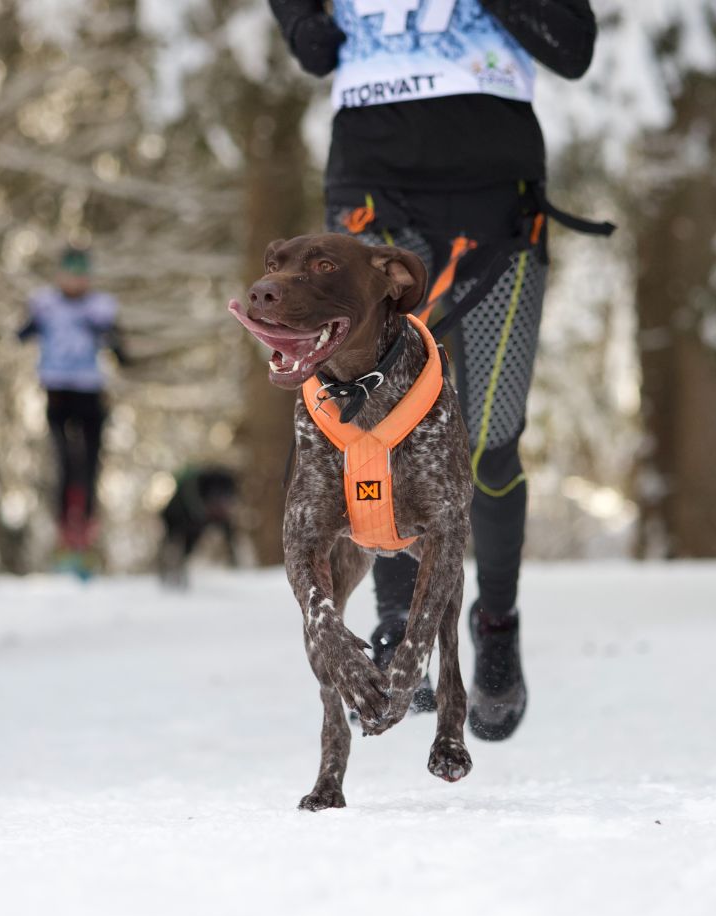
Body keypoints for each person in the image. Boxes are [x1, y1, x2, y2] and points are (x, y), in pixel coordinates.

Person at [269, 0, 598, 740]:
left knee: (488, 439)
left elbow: (572, 46)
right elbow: (316, 47)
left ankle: (496, 622)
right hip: (371, 187)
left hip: (496, 198)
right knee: (372, 423)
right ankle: (397, 620)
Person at [18, 246, 128, 553]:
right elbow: (21, 334)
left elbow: (122, 350)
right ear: (60, 276)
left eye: (82, 276)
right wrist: (32, 324)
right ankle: (64, 523)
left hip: (90, 391)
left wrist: (108, 337)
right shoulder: (46, 305)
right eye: (70, 275)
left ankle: (88, 521)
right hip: (56, 390)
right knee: (65, 459)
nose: (76, 283)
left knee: (91, 459)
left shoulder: (99, 308)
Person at [158, 466, 240, 587]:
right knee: (176, 542)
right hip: (175, 516)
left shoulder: (223, 486)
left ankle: (179, 566)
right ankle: (169, 570)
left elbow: (228, 528)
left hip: (198, 514)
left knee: (190, 542)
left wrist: (233, 555)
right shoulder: (186, 499)